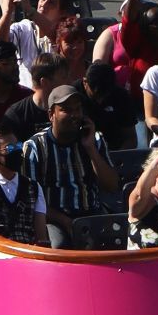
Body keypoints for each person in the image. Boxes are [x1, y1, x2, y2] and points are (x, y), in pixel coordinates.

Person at [22, 84, 119, 246]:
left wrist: (90, 149)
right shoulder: (35, 147)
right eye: (66, 110)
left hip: (92, 214)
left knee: (117, 241)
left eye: (78, 109)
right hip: (55, 219)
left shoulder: (94, 139)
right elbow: (31, 201)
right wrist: (66, 222)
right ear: (51, 115)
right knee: (58, 245)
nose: (74, 115)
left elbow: (112, 185)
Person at [0, 0, 75, 86]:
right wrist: (7, 12)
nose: (44, 4)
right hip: (24, 92)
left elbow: (53, 32)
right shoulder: (24, 27)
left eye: (51, 3)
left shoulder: (64, 34)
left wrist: (29, 9)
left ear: (62, 13)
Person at [0, 53, 70, 143]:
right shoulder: (17, 115)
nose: (68, 82)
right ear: (44, 82)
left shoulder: (70, 109)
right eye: (63, 78)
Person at [82, 59, 142, 150]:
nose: (100, 101)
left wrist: (115, 156)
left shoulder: (121, 96)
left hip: (116, 152)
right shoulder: (74, 96)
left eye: (104, 95)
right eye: (96, 96)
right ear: (85, 82)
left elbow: (131, 139)